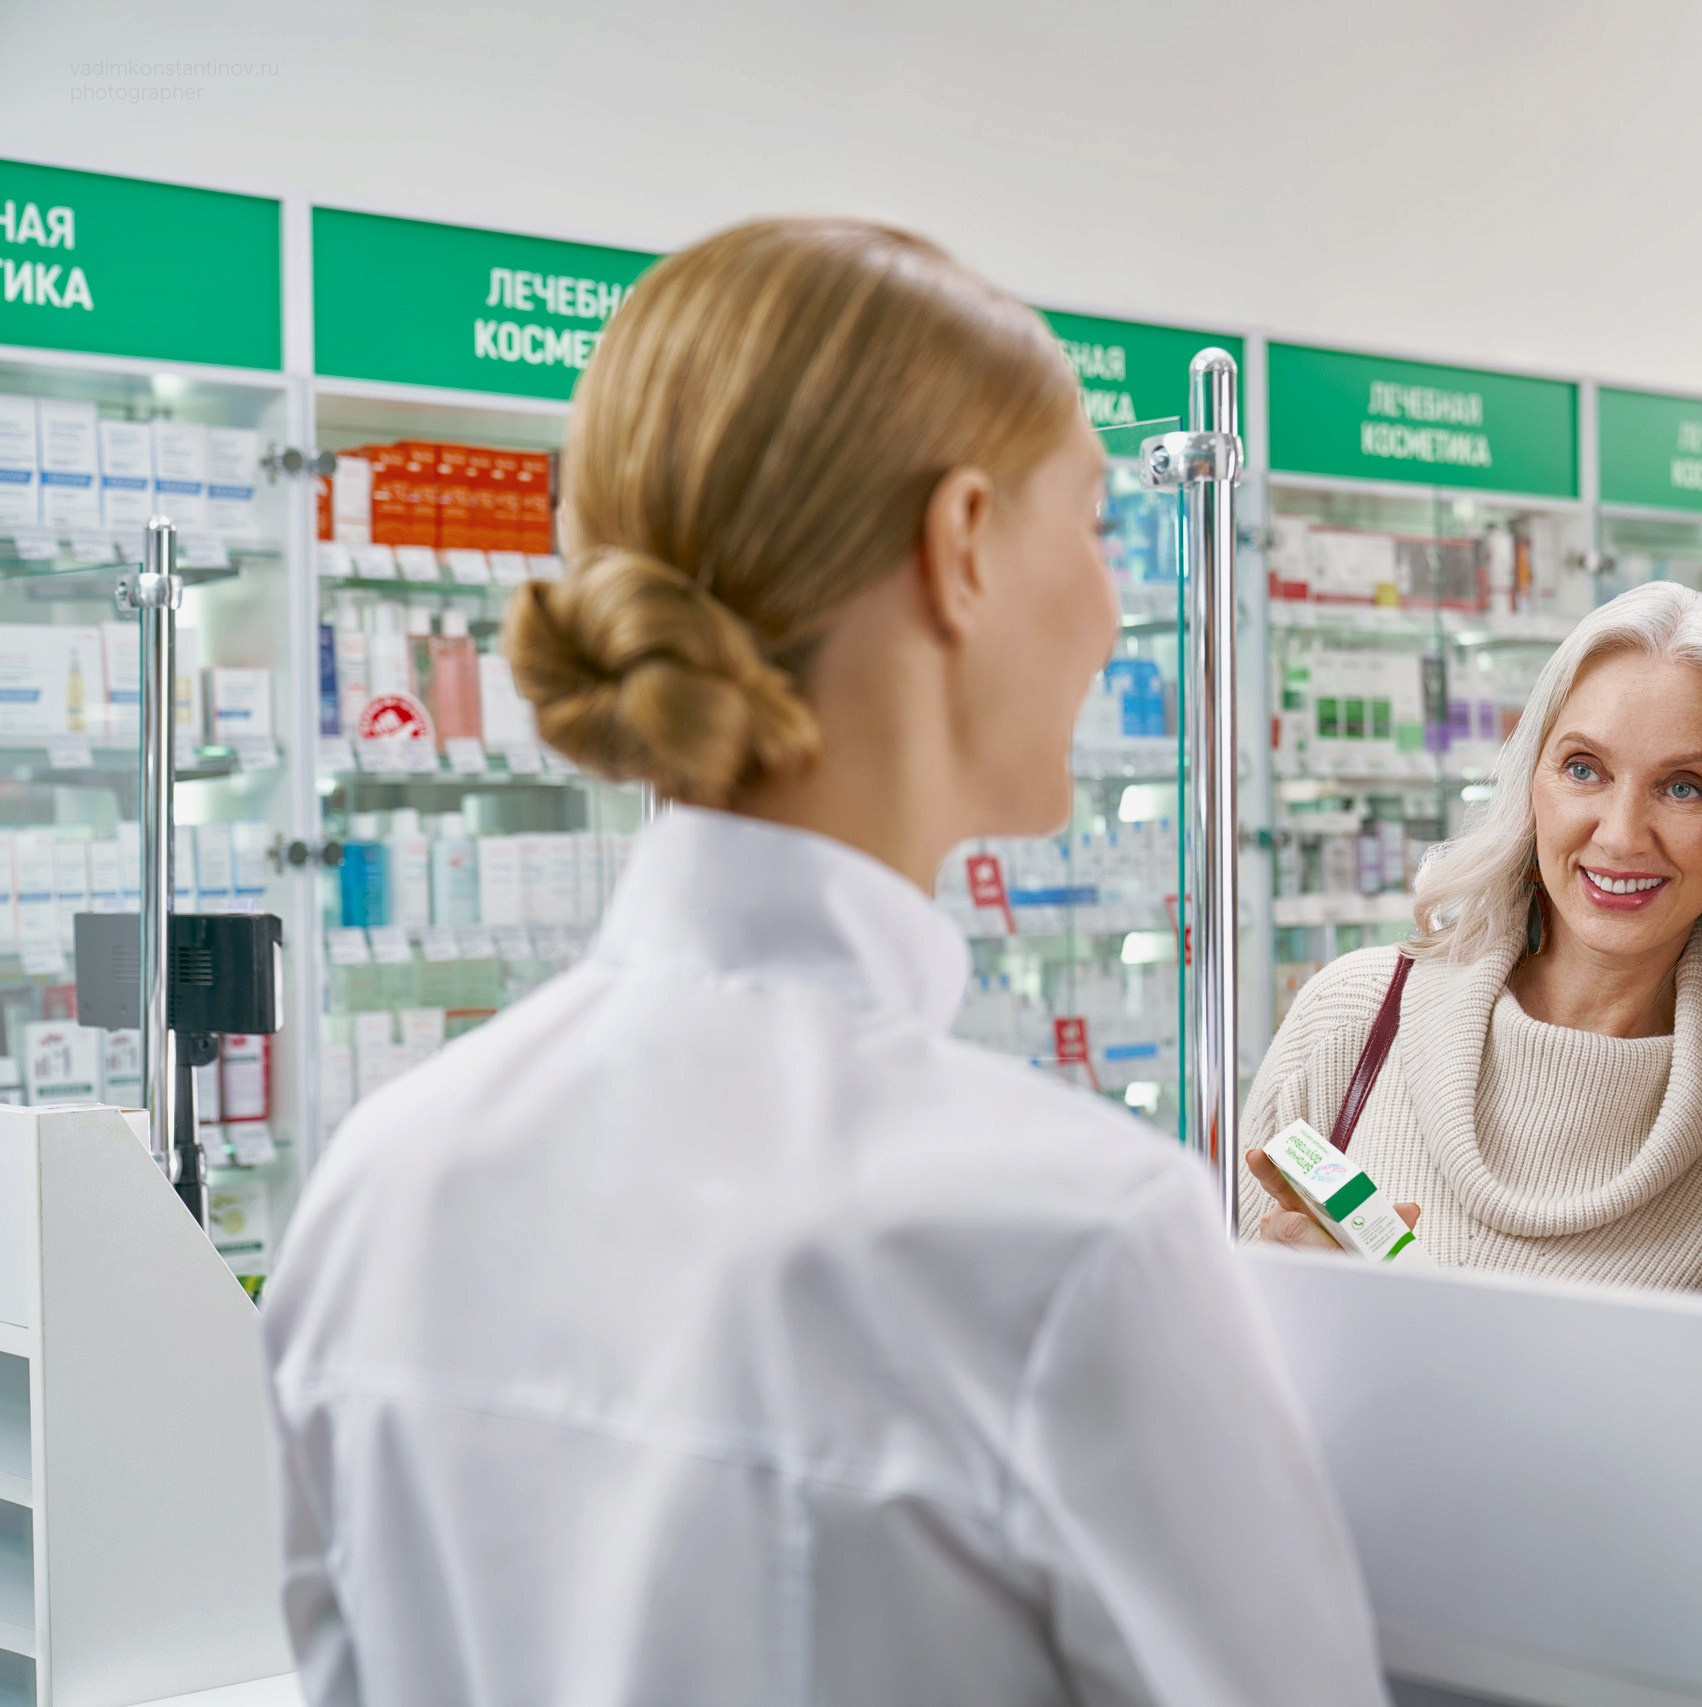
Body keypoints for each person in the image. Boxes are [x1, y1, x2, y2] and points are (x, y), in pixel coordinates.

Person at [261, 219, 1389, 1707]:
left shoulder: (383, 1182)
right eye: (1101, 527)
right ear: (963, 546)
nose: (1118, 606)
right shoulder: (1072, 1233)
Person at [1240, 581, 1702, 1292]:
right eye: (1583, 769)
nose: (1620, 834)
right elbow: (1201, 1361)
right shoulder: (1353, 1018)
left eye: (1683, 786)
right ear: (1532, 781)